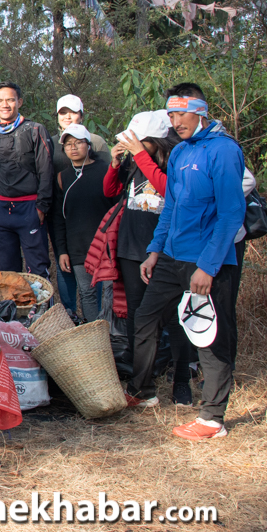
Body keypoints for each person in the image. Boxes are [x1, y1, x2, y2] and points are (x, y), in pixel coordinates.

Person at [129, 85, 245, 441]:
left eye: (180, 113)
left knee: (209, 334)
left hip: (207, 262)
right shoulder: (180, 153)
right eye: (171, 114)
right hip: (171, 257)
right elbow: (172, 207)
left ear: (201, 111)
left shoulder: (224, 151)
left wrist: (208, 267)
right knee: (146, 316)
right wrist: (153, 250)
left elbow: (230, 214)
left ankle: (212, 419)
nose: (174, 121)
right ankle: (142, 391)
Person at [102, 111, 190, 400]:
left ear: (156, 140)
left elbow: (168, 190)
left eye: (139, 140)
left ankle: (181, 381)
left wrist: (141, 155)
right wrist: (115, 163)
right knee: (137, 317)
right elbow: (110, 191)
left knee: (175, 317)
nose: (133, 144)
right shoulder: (134, 162)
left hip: (165, 250)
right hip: (131, 248)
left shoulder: (176, 161)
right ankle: (143, 384)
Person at [0, 82, 54, 279]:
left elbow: (46, 170)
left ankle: (40, 310)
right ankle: (13, 310)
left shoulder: (35, 130)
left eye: (10, 100)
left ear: (19, 101)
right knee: (7, 270)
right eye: (0, 100)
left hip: (29, 208)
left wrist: (41, 207)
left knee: (37, 268)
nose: (5, 104)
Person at [52, 124, 118, 322]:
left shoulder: (106, 171)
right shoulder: (63, 177)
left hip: (105, 245)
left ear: (88, 145)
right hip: (77, 246)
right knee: (87, 295)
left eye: (78, 143)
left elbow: (117, 208)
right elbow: (58, 217)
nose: (73, 147)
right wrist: (62, 251)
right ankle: (94, 334)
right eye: (68, 144)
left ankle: (113, 336)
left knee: (110, 293)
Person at [53, 94, 111, 175]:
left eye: (73, 112)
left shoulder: (96, 141)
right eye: (63, 113)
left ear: (81, 116)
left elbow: (107, 173)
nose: (67, 117)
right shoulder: (50, 142)